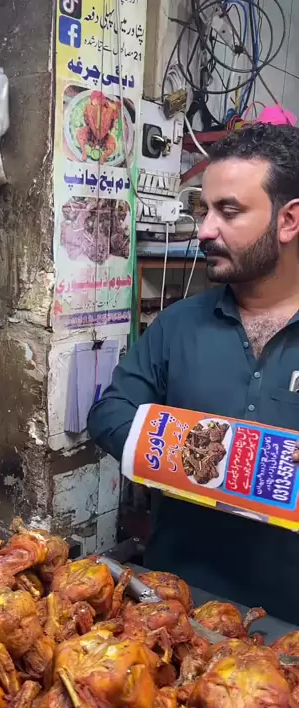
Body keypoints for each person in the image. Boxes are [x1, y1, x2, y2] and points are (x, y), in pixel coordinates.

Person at [88, 122, 299, 622]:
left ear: (289, 220)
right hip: (173, 605)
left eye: (229, 211)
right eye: (203, 210)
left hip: (287, 624)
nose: (204, 230)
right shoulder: (179, 324)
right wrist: (202, 456)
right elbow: (110, 413)